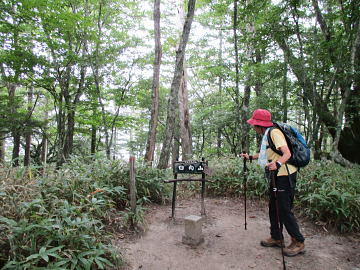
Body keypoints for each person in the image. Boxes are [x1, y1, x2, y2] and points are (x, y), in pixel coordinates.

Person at [240, 108, 305, 257]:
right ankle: (277, 237)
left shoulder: (274, 133)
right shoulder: (267, 135)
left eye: (254, 124)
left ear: (259, 125)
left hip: (285, 174)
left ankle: (298, 241)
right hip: (276, 175)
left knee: (283, 208)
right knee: (273, 207)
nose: (253, 127)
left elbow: (287, 153)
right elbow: (267, 154)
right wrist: (249, 157)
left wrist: (278, 164)